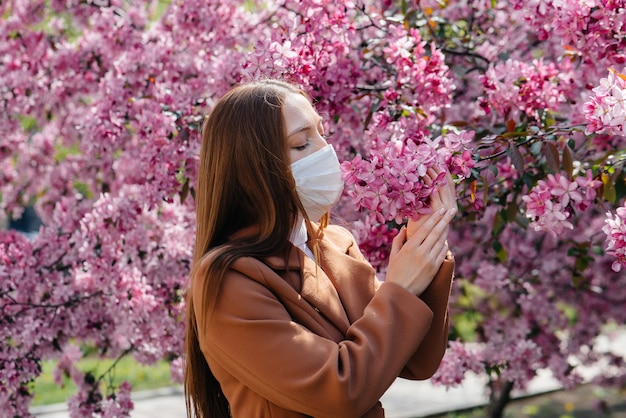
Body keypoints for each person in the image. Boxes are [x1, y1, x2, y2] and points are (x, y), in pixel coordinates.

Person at [184, 79, 457, 418]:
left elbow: (416, 361)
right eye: (301, 143)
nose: (326, 151)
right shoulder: (228, 280)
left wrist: (424, 244)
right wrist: (400, 288)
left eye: (322, 134)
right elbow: (340, 391)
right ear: (253, 168)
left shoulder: (334, 244)